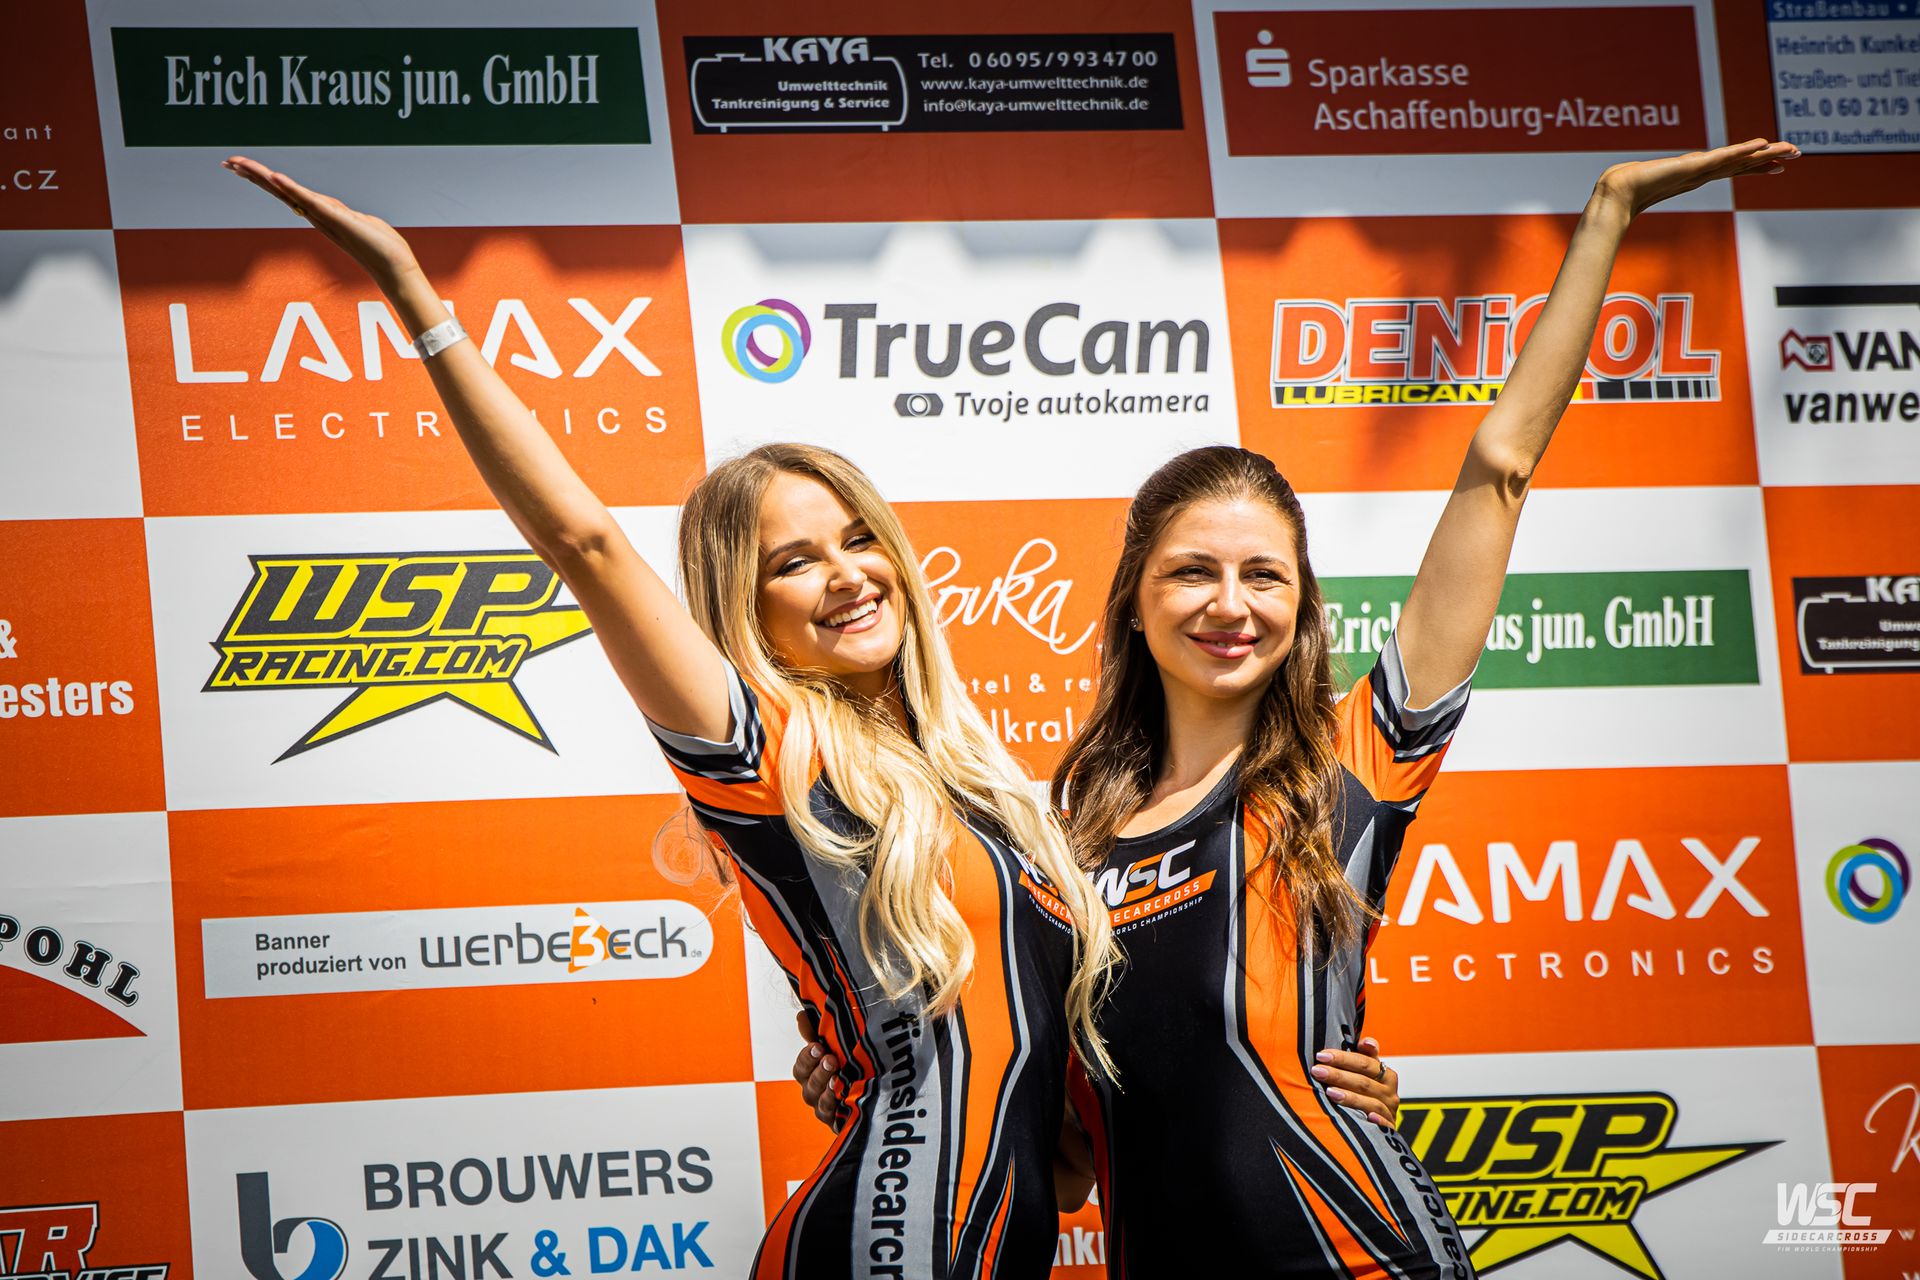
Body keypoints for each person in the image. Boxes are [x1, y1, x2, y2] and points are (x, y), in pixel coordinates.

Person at [794, 138, 1799, 1277]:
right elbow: (1063, 1164)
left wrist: (1609, 207)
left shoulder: (1354, 760)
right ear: (1134, 601)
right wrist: (877, 1081)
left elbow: (1501, 467)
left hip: (1360, 1254)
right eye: (1192, 572)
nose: (1231, 605)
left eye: (1263, 575)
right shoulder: (1057, 838)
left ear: (1301, 605)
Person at [222, 157, 1120, 1280]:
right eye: (796, 561)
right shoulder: (767, 750)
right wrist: (414, 293)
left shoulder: (984, 789)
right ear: (746, 607)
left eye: (859, 538)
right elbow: (586, 543)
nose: (848, 574)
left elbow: (1064, 1161)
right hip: (886, 1244)